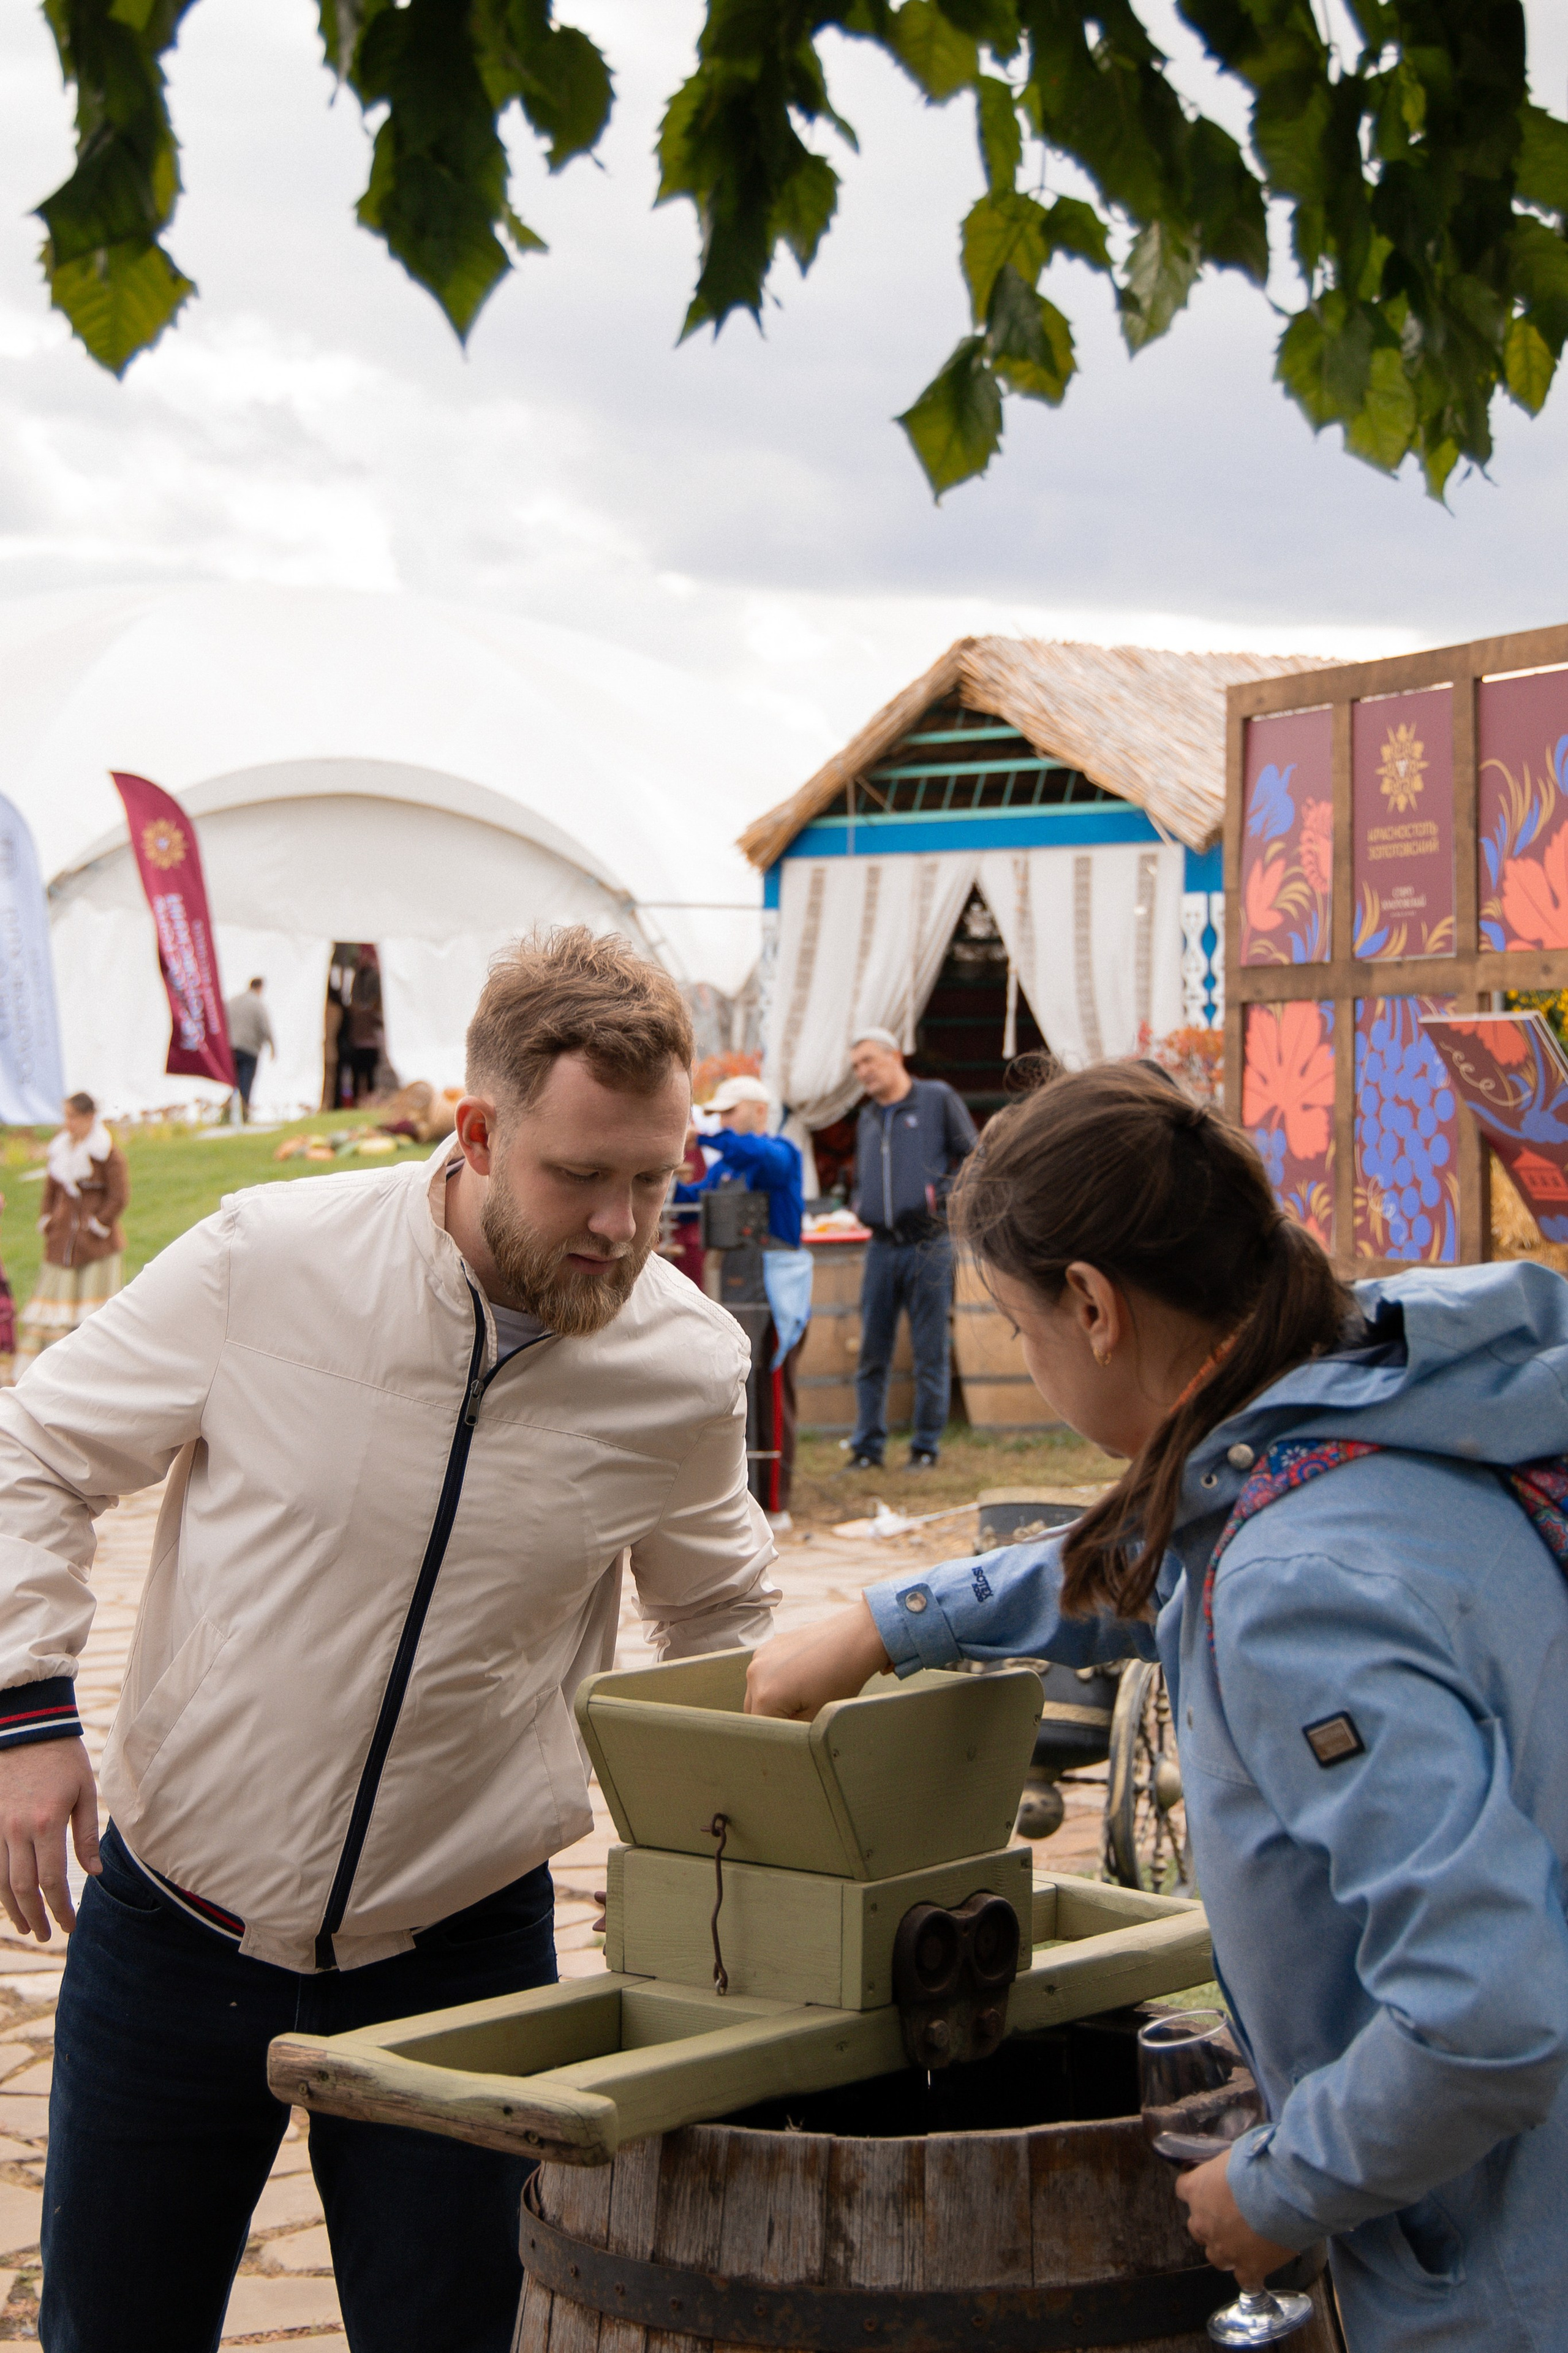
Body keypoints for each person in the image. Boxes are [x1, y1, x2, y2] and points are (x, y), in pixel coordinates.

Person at [0, 927, 779, 2353]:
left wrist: (710, 1862)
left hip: (462, 1955)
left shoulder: (681, 1366)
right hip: (175, 1925)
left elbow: (717, 1609)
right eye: (580, 1175)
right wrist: (28, 1707)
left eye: (653, 1179)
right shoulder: (268, 1258)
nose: (621, 1225)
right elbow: (36, 1448)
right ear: (475, 1132)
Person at [745, 1062, 1568, 2353]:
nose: (1028, 1359)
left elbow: (1486, 2015)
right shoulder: (1370, 1400)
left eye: (1017, 1327)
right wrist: (890, 1621)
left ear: (1091, 1305)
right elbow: (1177, 1543)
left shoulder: (1294, 1590)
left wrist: (1282, 2187)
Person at [674, 1078, 810, 1519]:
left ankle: (775, 1503)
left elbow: (760, 1155)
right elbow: (692, 1199)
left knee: (771, 1391)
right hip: (732, 1286)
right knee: (736, 1391)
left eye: (731, 1112)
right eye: (719, 1114)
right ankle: (740, 1501)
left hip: (773, 1290)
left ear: (759, 1110)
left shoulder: (781, 1153)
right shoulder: (727, 1168)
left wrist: (703, 1136)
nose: (724, 1121)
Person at [845, 1027, 976, 1471]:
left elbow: (974, 1156)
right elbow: (862, 1175)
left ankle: (925, 1448)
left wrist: (941, 1199)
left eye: (868, 1060)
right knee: (872, 1353)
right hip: (881, 1248)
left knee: (929, 1351)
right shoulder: (867, 1117)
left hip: (929, 1245)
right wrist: (859, 1204)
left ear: (895, 1056)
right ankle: (866, 1450)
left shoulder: (936, 1099)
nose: (862, 1072)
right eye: (856, 1066)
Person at [13, 1093, 129, 1374]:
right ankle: (47, 1369)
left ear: (89, 1117)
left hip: (96, 1246)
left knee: (93, 1311)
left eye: (73, 1117)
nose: (68, 1123)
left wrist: (98, 1223)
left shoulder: (106, 1153)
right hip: (61, 1241)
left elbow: (119, 1196)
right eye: (66, 1117)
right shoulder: (61, 1150)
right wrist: (48, 1220)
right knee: (54, 1305)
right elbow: (51, 1192)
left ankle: (90, 1370)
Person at [224, 975, 274, 1119]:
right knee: (246, 1082)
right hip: (249, 1048)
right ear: (260, 988)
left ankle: (230, 1112)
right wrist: (272, 1046)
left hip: (231, 1046)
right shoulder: (258, 1004)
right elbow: (265, 1027)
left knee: (234, 1081)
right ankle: (243, 1112)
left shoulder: (234, 1000)